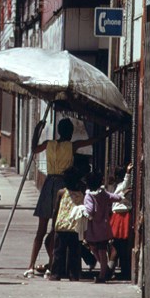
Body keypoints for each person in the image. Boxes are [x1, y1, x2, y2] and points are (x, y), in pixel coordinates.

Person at [24, 118, 108, 278]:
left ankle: (31, 265)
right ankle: (54, 265)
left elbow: (34, 148)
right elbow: (93, 140)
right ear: (70, 133)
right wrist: (109, 131)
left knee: (41, 230)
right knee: (59, 228)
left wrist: (37, 130)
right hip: (64, 186)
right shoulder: (72, 145)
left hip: (48, 184)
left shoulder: (49, 143)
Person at [83, 170, 124, 283]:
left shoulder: (88, 196)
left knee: (93, 247)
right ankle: (103, 271)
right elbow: (113, 197)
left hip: (93, 228)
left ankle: (103, 272)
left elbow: (89, 210)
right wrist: (121, 197)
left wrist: (83, 211)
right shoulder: (103, 193)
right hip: (104, 227)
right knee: (102, 249)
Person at [49, 167, 86, 281]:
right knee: (74, 252)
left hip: (61, 226)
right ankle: (73, 274)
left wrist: (53, 224)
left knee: (58, 252)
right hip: (75, 227)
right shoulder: (81, 193)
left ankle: (56, 274)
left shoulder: (61, 192)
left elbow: (56, 210)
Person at [107, 162, 133, 279]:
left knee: (117, 245)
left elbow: (126, 182)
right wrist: (127, 172)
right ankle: (112, 271)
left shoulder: (119, 186)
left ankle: (109, 271)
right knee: (118, 245)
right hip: (119, 216)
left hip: (120, 217)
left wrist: (128, 172)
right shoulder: (119, 186)